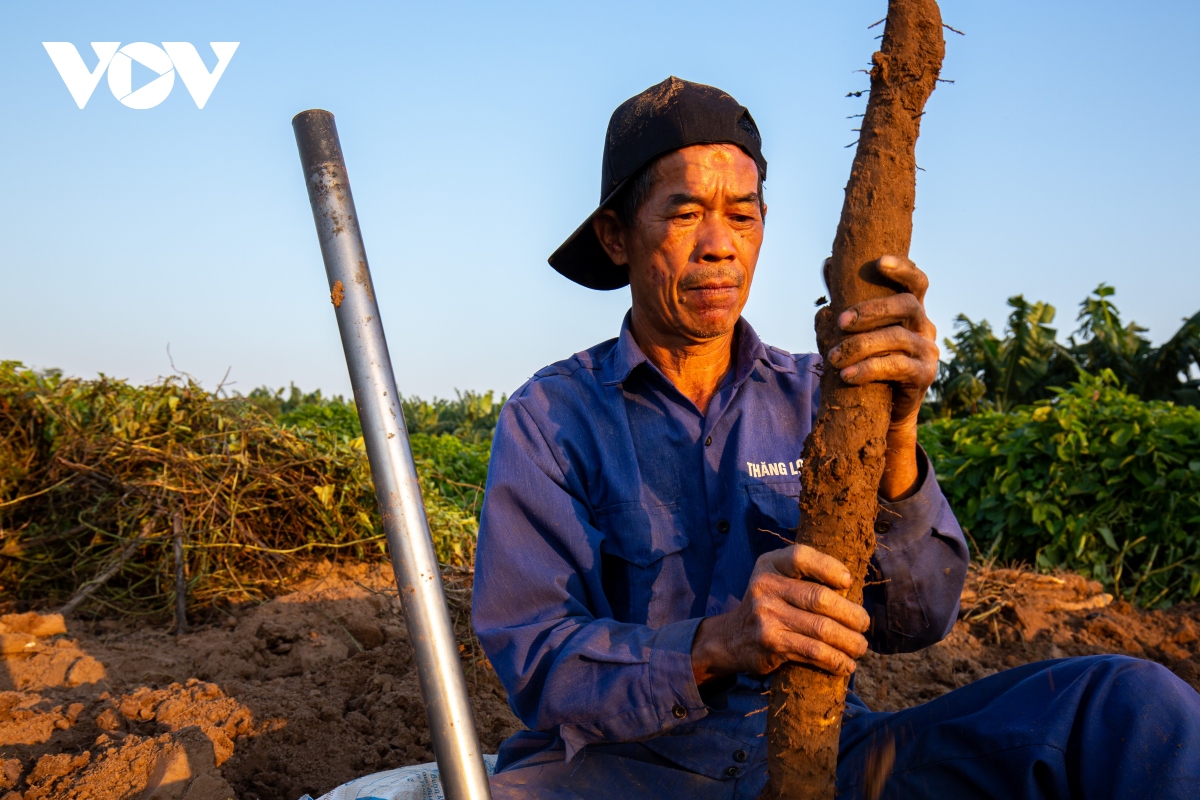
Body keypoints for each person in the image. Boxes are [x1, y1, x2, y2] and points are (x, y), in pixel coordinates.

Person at [471, 77, 1200, 799]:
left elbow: (915, 619)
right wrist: (717, 642)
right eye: (686, 213)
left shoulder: (823, 396)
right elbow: (536, 656)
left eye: (744, 216)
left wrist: (897, 429)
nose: (720, 247)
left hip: (826, 756)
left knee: (1127, 705)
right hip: (624, 773)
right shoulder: (552, 418)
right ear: (615, 236)